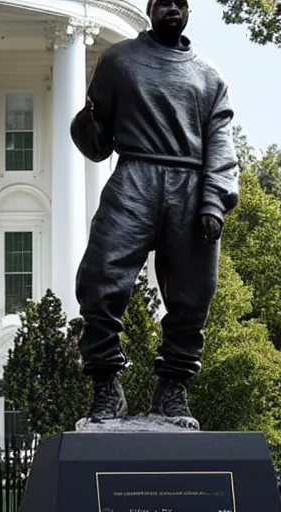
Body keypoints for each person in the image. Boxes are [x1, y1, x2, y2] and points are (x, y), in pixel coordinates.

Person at [71, 0, 239, 428]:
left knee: (192, 293)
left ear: (188, 12)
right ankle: (106, 384)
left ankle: (173, 390)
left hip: (191, 184)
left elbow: (221, 144)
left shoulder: (209, 76)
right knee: (100, 276)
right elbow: (97, 145)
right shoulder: (119, 61)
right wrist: (86, 120)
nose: (171, 10)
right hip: (135, 175)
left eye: (179, 3)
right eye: (163, 2)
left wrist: (214, 200)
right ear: (149, 9)